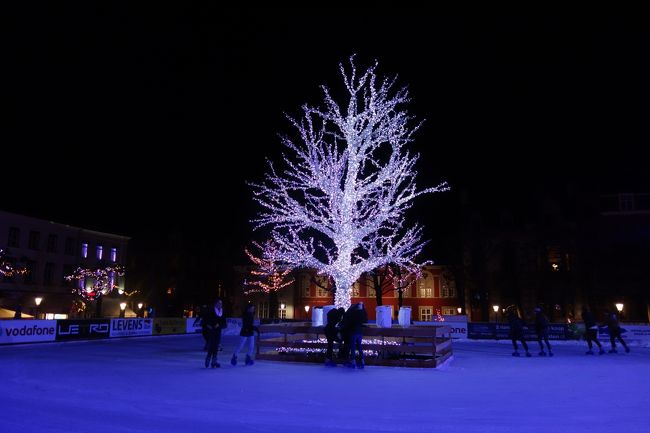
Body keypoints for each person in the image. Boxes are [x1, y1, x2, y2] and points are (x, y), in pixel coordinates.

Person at [340, 302, 368, 368]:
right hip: (359, 332)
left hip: (353, 332)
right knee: (359, 346)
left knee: (352, 347)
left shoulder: (352, 312)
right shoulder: (361, 312)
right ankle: (362, 361)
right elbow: (365, 320)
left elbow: (348, 322)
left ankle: (353, 361)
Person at [202, 299, 227, 368]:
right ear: (215, 304)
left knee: (216, 346)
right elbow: (205, 320)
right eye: (219, 303)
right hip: (211, 331)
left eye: (221, 303)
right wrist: (208, 325)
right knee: (212, 346)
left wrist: (219, 325)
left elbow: (224, 323)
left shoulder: (222, 312)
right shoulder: (210, 310)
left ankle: (214, 361)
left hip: (218, 331)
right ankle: (208, 358)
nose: (220, 305)